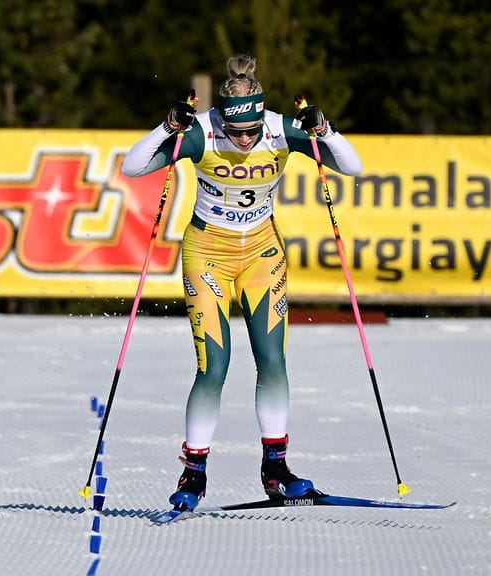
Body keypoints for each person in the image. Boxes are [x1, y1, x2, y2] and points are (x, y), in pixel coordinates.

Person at [120, 55, 363, 511]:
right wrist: (167, 127)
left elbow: (352, 167)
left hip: (261, 254)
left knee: (272, 360)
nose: (246, 140)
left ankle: (276, 468)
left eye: (252, 131)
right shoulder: (205, 132)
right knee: (214, 366)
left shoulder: (279, 129)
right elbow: (132, 168)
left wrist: (324, 128)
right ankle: (193, 472)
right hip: (207, 255)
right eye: (238, 133)